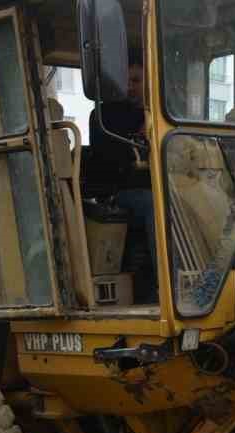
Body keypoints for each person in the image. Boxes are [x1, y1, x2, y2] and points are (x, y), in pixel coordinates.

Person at [88, 60, 156, 296]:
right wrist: (137, 142)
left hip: (158, 187)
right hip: (119, 192)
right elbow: (107, 161)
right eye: (125, 81)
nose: (130, 87)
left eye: (136, 81)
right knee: (154, 205)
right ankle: (168, 280)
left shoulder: (158, 114)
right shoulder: (104, 116)